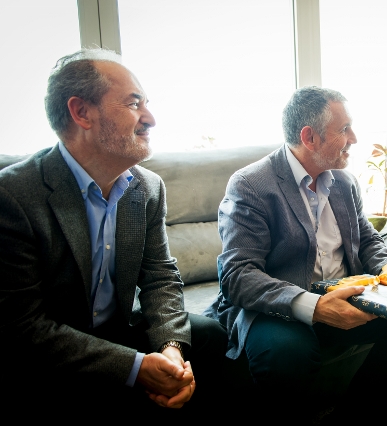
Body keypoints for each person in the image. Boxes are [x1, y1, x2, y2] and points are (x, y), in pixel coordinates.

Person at [0, 49, 231, 420]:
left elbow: (160, 277)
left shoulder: (147, 187)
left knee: (212, 338)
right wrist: (136, 367)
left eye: (146, 104)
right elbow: (23, 327)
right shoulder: (14, 196)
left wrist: (171, 348)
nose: (150, 118)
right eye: (133, 103)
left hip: (118, 329)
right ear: (81, 113)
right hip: (52, 348)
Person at [204, 86, 387, 425]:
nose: (354, 138)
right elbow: (237, 276)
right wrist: (314, 307)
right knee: (285, 354)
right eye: (345, 129)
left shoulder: (344, 182)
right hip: (280, 308)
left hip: (348, 295)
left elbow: (367, 239)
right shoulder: (251, 185)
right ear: (309, 136)